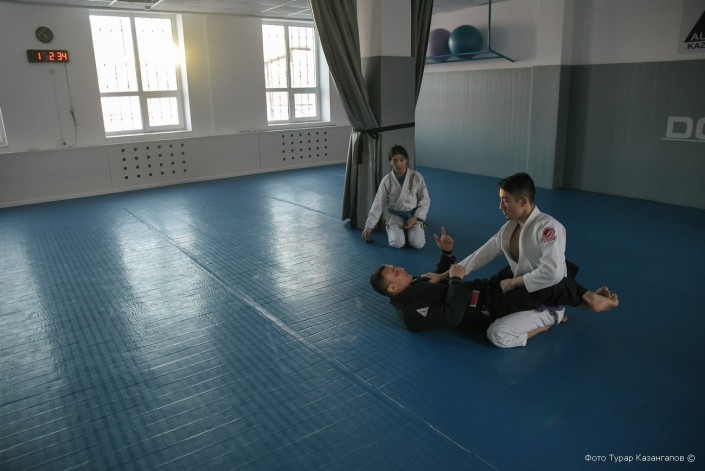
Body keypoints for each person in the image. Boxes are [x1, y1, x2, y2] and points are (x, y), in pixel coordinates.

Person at [369, 227, 618, 346]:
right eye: (395, 272)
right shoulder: (411, 314)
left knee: (528, 260)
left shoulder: (412, 284)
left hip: (486, 287)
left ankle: (581, 293)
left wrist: (446, 254)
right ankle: (586, 302)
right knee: (537, 284)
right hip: (488, 308)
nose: (400, 268)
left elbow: (436, 282)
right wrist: (455, 279)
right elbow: (451, 315)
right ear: (392, 289)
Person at [361, 145, 430, 249]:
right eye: (395, 160)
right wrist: (369, 226)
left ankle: (421, 226)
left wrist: (416, 217)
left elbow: (425, 199)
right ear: (390, 162)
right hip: (395, 217)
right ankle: (389, 227)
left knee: (417, 244)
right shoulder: (387, 180)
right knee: (397, 243)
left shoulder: (416, 176)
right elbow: (378, 203)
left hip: (413, 217)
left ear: (407, 160)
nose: (398, 163)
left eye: (402, 160)